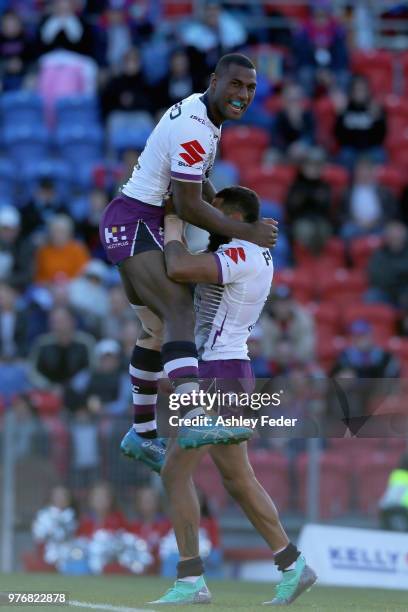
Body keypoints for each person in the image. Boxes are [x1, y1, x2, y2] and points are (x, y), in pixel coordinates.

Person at [123, 186, 316, 606]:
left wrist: (174, 221)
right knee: (238, 479)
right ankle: (292, 564)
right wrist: (197, 187)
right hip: (224, 371)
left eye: (218, 214)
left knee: (175, 472)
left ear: (236, 218)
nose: (210, 219)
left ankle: (192, 578)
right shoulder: (250, 250)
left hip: (215, 374)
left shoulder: (241, 253)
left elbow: (177, 266)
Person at [99, 53, 278, 465]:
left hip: (137, 221)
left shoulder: (203, 117)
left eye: (250, 88)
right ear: (214, 81)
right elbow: (187, 203)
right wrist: (244, 230)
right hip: (137, 221)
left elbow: (195, 186)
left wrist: (219, 217)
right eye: (235, 84)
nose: (242, 95)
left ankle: (142, 434)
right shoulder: (196, 128)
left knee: (156, 330)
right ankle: (195, 415)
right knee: (178, 309)